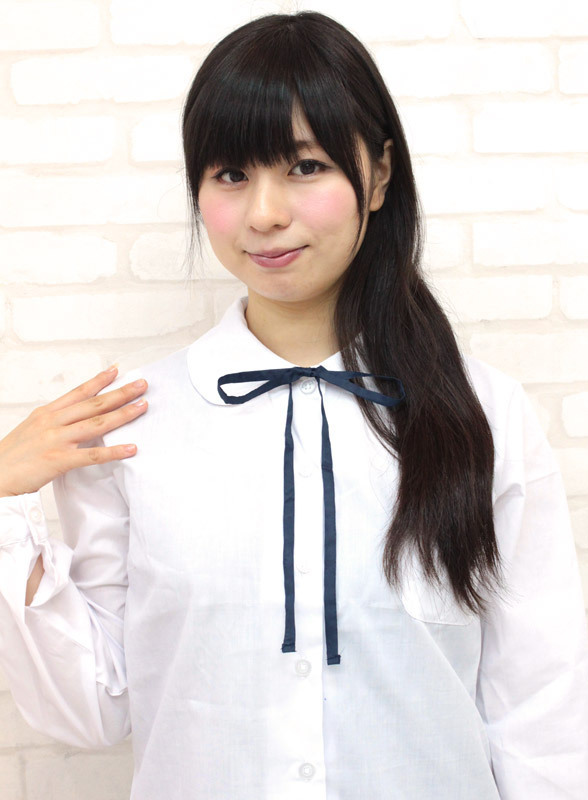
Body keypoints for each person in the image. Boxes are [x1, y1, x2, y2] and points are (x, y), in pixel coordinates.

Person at [0, 10, 586, 800]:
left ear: (378, 176)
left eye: (305, 166)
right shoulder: (131, 429)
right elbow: (93, 710)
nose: (264, 213)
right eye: (230, 175)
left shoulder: (485, 414)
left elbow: (544, 709)